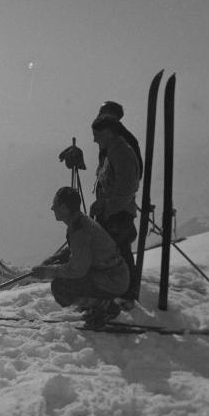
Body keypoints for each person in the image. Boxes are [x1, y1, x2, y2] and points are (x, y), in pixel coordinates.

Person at [32, 187, 127, 327]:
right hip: (115, 274)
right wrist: (55, 258)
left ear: (64, 208)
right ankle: (97, 304)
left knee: (60, 287)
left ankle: (104, 307)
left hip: (113, 280)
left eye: (55, 205)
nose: (53, 208)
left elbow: (77, 270)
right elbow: (79, 250)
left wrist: (48, 271)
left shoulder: (79, 230)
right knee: (66, 279)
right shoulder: (80, 222)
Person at [90, 114, 142, 302]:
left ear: (108, 133)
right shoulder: (113, 150)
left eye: (97, 135)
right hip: (114, 212)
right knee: (118, 252)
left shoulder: (120, 153)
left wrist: (106, 206)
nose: (94, 139)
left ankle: (127, 293)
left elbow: (127, 188)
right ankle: (125, 292)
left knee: (118, 253)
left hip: (118, 214)